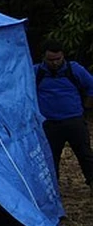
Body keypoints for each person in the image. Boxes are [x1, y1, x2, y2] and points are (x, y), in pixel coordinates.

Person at [34, 41, 93, 192]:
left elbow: (91, 86)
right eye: (51, 60)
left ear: (63, 56)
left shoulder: (74, 70)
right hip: (49, 123)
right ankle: (52, 189)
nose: (55, 63)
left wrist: (86, 107)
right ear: (44, 58)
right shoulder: (37, 72)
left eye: (58, 59)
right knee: (51, 158)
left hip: (74, 120)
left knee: (85, 155)